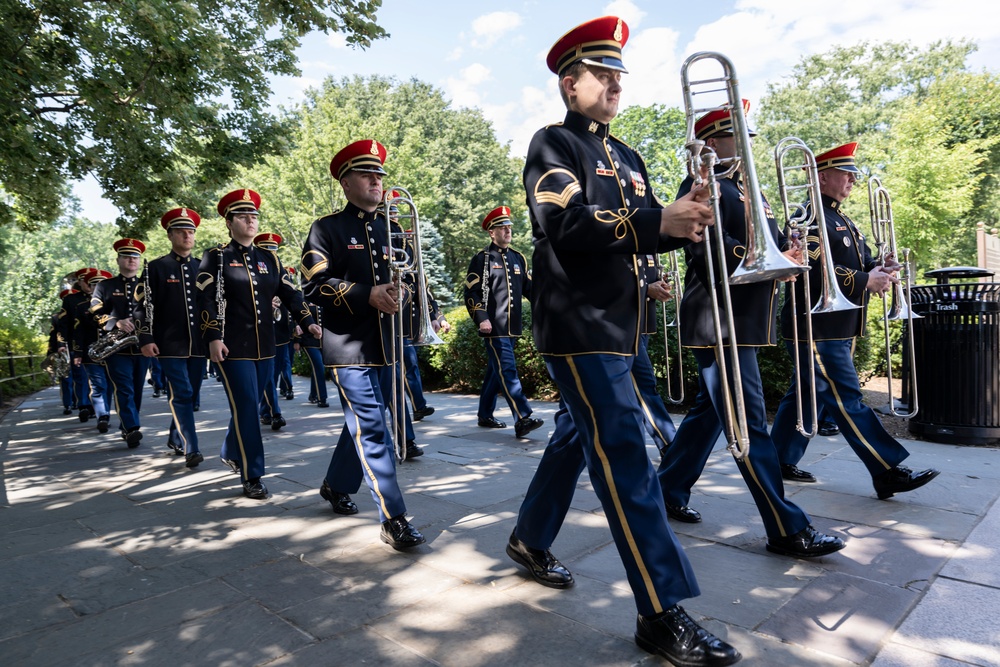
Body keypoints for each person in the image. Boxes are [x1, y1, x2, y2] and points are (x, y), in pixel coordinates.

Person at [512, 17, 741, 666]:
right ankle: (661, 612)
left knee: (576, 437)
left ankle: (529, 537)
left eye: (620, 74)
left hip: (623, 325)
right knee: (626, 455)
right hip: (579, 325)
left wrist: (657, 264)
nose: (616, 82)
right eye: (602, 73)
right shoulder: (552, 144)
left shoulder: (632, 158)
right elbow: (566, 225)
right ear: (569, 82)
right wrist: (655, 223)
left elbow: (639, 235)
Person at [656, 101, 847, 563]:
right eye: (734, 137)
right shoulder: (704, 185)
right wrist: (766, 266)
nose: (745, 146)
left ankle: (664, 490)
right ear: (713, 143)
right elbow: (707, 254)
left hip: (743, 321)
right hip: (717, 321)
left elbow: (768, 250)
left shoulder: (749, 192)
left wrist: (788, 252)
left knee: (708, 416)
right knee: (748, 423)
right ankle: (785, 526)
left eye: (747, 137)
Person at [771, 141, 940, 498]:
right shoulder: (808, 218)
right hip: (816, 327)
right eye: (845, 173)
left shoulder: (844, 220)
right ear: (822, 176)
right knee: (848, 399)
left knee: (807, 392)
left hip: (838, 325)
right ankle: (886, 468)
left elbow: (858, 266)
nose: (851, 179)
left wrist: (880, 268)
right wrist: (866, 280)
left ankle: (778, 459)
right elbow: (813, 271)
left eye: (852, 174)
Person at [300, 139, 425, 549]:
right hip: (348, 347)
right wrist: (366, 294)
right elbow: (313, 285)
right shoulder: (327, 229)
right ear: (346, 182)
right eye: (367, 174)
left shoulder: (393, 227)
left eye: (380, 175)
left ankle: (336, 484)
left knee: (362, 423)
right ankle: (394, 517)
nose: (377, 180)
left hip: (389, 344)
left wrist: (405, 298)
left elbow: (408, 279)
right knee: (373, 428)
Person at [197, 189, 320, 499]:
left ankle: (229, 449)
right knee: (248, 408)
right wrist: (213, 336)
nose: (251, 220)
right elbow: (205, 298)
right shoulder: (216, 256)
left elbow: (291, 294)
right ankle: (253, 475)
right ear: (229, 222)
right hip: (231, 348)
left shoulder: (269, 258)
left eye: (253, 216)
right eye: (243, 216)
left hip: (266, 346)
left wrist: (307, 321)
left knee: (248, 406)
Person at [134, 207, 208, 468]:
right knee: (183, 392)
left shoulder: (203, 267)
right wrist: (145, 338)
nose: (187, 236)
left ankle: (176, 435)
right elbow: (141, 306)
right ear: (170, 235)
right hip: (168, 344)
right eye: (181, 231)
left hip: (199, 345)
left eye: (191, 232)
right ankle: (192, 448)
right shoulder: (155, 268)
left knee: (191, 395)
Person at [464, 205, 543, 439]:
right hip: (494, 327)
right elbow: (471, 292)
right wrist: (482, 318)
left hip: (513, 327)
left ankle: (484, 415)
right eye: (502, 227)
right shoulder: (482, 259)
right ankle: (522, 417)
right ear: (491, 232)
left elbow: (530, 290)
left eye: (509, 227)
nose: (508, 230)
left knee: (495, 370)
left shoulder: (518, 258)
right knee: (507, 369)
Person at [91, 239, 151, 447]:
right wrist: (116, 322)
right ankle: (132, 427)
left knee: (136, 388)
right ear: (118, 260)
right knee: (124, 388)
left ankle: (127, 426)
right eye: (127, 256)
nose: (131, 260)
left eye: (135, 256)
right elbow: (95, 313)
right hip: (116, 349)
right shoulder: (104, 286)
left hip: (141, 346)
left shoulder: (148, 284)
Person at [634, 254, 678, 458]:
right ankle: (668, 441)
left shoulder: (648, 243)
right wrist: (645, 288)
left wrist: (659, 285)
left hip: (642, 323)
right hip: (626, 324)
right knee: (644, 383)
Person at [253, 232, 289, 431]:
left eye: (274, 250)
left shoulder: (280, 272)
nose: (272, 254)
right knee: (268, 376)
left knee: (274, 375)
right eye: (268, 250)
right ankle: (276, 412)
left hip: (281, 332)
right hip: (263, 331)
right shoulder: (257, 271)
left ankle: (265, 411)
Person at [54, 271, 93, 419]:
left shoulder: (101, 295)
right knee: (81, 375)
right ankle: (83, 405)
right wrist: (62, 343)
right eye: (85, 281)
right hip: (77, 344)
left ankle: (99, 407)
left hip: (98, 343)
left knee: (98, 378)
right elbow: (63, 324)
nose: (88, 284)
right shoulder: (71, 300)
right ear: (80, 282)